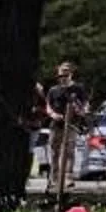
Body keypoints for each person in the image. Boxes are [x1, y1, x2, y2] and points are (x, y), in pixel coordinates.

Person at [38, 61, 91, 196]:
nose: (63, 78)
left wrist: (82, 111)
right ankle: (54, 178)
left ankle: (68, 177)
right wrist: (53, 114)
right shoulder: (53, 90)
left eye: (66, 75)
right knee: (55, 151)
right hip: (56, 125)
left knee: (69, 150)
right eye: (61, 76)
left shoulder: (78, 88)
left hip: (71, 124)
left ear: (71, 75)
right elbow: (48, 106)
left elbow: (85, 103)